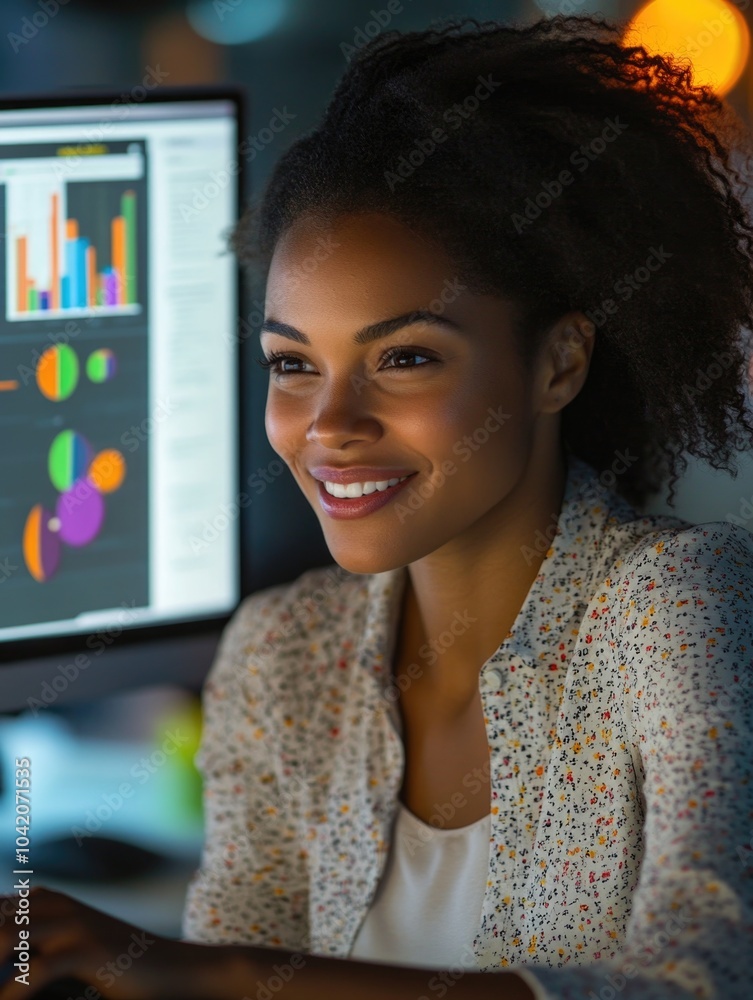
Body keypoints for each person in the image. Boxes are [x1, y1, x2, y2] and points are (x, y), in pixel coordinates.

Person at [1, 12, 752, 1000]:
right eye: (293, 365)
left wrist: (220, 972)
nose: (330, 425)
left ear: (558, 362)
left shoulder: (678, 604)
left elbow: (703, 982)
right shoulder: (282, 656)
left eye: (406, 358)